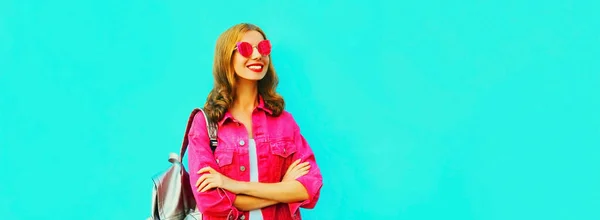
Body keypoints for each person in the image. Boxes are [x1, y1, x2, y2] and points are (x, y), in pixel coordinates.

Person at [186, 23, 323, 220]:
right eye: (246, 49)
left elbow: (309, 188)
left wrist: (234, 186)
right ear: (227, 57)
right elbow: (210, 203)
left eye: (264, 48)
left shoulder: (284, 122)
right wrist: (283, 189)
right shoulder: (205, 123)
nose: (258, 55)